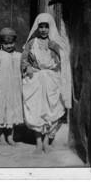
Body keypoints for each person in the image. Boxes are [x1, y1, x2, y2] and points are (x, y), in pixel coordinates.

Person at [21, 13, 72, 154]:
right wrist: (28, 66)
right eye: (41, 27)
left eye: (46, 27)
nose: (43, 30)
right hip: (36, 79)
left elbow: (64, 62)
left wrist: (57, 49)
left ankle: (46, 142)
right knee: (36, 111)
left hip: (52, 81)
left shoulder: (55, 43)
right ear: (37, 28)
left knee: (52, 110)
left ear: (50, 28)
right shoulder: (31, 43)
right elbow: (24, 58)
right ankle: (38, 142)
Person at [0, 27, 24, 146]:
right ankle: (1, 137)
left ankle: (10, 137)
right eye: (6, 43)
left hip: (15, 89)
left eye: (11, 43)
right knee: (2, 112)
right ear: (1, 43)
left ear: (15, 42)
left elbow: (23, 70)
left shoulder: (19, 55)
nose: (9, 46)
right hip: (2, 89)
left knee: (12, 112)